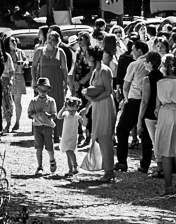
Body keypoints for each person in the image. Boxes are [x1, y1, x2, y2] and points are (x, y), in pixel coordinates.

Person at [152, 51, 176, 195]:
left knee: (166, 153)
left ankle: (168, 187)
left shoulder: (161, 83)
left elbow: (158, 102)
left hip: (166, 112)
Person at [116, 39, 153, 174]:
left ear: (139, 50)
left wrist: (125, 99)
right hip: (149, 101)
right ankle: (145, 164)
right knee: (146, 133)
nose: (131, 52)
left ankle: (122, 161)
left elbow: (125, 86)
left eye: (133, 49)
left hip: (134, 99)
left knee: (122, 129)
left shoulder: (134, 64)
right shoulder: (151, 63)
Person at [87, 34, 118, 182]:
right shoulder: (95, 71)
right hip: (99, 104)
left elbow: (108, 90)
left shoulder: (105, 70)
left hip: (105, 104)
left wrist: (94, 99)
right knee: (99, 136)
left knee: (105, 137)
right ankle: (107, 167)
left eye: (88, 56)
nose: (86, 58)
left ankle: (109, 170)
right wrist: (87, 106)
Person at [29, 29, 68, 129]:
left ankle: (56, 132)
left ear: (57, 41)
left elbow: (64, 69)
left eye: (53, 39)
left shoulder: (60, 52)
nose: (50, 41)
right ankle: (41, 128)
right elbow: (33, 66)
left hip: (56, 81)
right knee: (41, 104)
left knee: (57, 104)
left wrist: (66, 83)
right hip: (43, 81)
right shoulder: (40, 51)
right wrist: (34, 80)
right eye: (49, 38)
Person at [28, 82, 61, 176]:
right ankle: (39, 166)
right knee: (38, 147)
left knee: (49, 146)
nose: (42, 92)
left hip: (48, 126)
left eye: (45, 90)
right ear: (37, 90)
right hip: (37, 126)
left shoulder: (51, 101)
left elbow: (54, 115)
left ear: (48, 90)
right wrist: (36, 114)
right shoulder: (33, 101)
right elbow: (29, 114)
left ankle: (52, 159)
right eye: (40, 90)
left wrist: (48, 115)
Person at [59, 94, 83, 178]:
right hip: (65, 136)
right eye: (70, 110)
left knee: (70, 151)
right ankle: (70, 169)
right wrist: (63, 109)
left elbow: (83, 122)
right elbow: (58, 117)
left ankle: (75, 166)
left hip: (73, 137)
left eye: (73, 110)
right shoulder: (66, 114)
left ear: (77, 108)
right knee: (67, 153)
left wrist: (83, 119)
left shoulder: (77, 116)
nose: (72, 112)